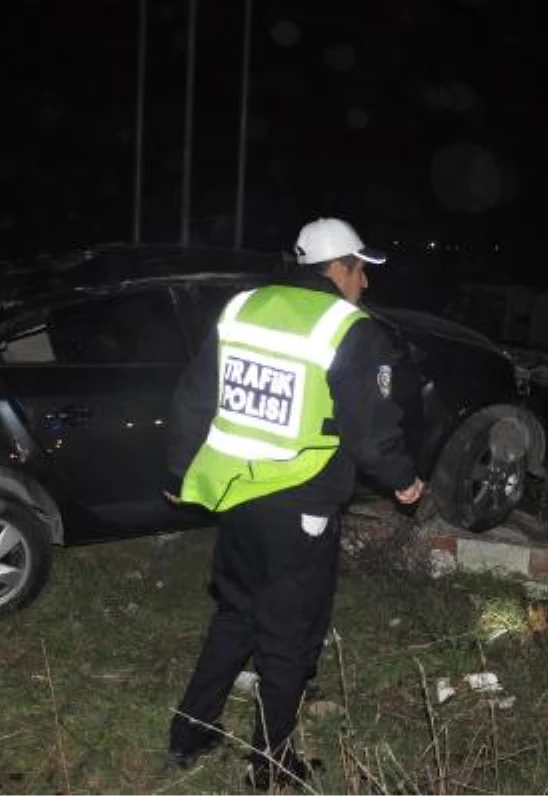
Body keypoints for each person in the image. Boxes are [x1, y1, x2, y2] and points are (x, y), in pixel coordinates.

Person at [164, 217, 426, 790]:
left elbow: (194, 395)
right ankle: (272, 764)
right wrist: (403, 479)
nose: (366, 283)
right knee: (289, 637)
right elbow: (371, 427)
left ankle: (188, 736)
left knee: (236, 615)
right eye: (360, 269)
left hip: (236, 496)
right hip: (300, 504)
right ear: (337, 268)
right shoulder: (348, 328)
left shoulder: (243, 308)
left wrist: (180, 471)